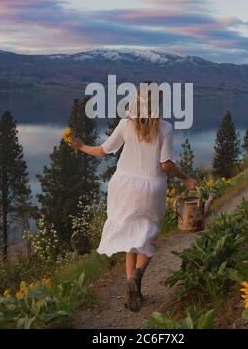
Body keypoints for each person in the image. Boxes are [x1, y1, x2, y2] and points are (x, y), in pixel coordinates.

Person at [69, 82, 197, 312]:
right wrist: (187, 179)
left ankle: (132, 289)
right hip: (151, 187)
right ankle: (136, 279)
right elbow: (165, 165)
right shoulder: (165, 128)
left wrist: (80, 146)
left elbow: (103, 150)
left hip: (123, 185)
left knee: (131, 238)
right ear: (156, 103)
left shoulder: (126, 124)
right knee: (147, 237)